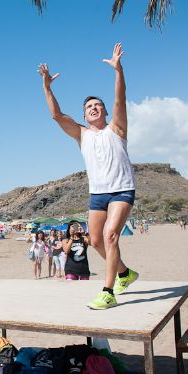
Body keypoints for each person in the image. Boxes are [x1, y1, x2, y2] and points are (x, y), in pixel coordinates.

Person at [38, 43, 138, 309]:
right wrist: (47, 87)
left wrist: (119, 71)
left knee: (110, 236)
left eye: (98, 105)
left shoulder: (116, 128)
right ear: (84, 115)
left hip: (121, 190)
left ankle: (108, 291)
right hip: (98, 194)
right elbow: (56, 115)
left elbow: (121, 99)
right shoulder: (81, 134)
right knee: (95, 241)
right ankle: (125, 273)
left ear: (104, 111)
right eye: (89, 107)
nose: (94, 108)